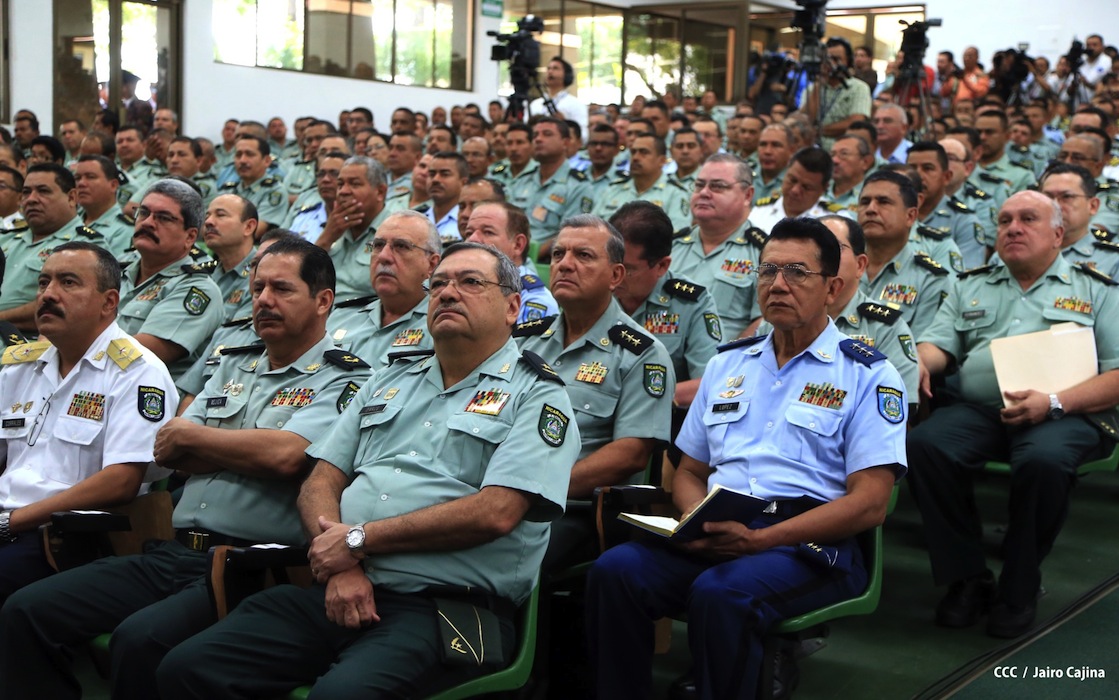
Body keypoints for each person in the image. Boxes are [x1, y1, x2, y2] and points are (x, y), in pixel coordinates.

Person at [154, 242, 578, 699]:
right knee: (187, 667)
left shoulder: (539, 395)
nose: (448, 293)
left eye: (470, 283)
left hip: (447, 607)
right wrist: (341, 568)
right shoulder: (388, 379)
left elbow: (496, 512)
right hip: (340, 587)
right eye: (438, 284)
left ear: (513, 306)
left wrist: (357, 542)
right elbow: (321, 479)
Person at [0, 237, 373, 699]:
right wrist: (241, 448)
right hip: (174, 553)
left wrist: (206, 441)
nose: (264, 301)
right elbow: (168, 448)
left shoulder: (347, 377)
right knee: (28, 610)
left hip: (250, 563)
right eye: (257, 289)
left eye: (281, 289)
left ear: (324, 301)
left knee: (139, 640)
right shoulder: (234, 365)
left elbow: (287, 456)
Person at [588, 216, 906, 700]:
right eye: (766, 271)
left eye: (797, 272)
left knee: (723, 594)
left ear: (832, 287)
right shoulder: (727, 364)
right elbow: (690, 470)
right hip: (722, 525)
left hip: (810, 544)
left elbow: (870, 505)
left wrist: (762, 542)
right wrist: (697, 519)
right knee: (617, 571)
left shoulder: (868, 375)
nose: (777, 285)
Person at [908, 190, 1119, 639]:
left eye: (1027, 219)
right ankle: (967, 578)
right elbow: (940, 344)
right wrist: (922, 360)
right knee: (925, 445)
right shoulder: (971, 283)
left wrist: (1056, 401)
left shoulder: (1097, 289)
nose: (1013, 228)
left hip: (1064, 412)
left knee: (1043, 462)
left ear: (1058, 234)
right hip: (982, 411)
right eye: (1004, 221)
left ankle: (1019, 585)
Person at [0, 242, 177, 605]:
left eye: (67, 283)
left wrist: (12, 522)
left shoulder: (138, 372)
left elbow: (121, 482)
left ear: (109, 302)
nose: (48, 294)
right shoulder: (20, 365)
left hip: (75, 540)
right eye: (43, 282)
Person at [515, 215, 674, 570]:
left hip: (572, 510)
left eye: (583, 256)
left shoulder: (642, 354)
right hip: (497, 493)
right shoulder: (522, 340)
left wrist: (533, 490)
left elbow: (630, 454)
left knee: (500, 552)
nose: (565, 264)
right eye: (558, 255)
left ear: (616, 276)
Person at [611, 201, 720, 408]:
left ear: (662, 265)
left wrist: (639, 399)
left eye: (628, 269)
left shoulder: (692, 303)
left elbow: (709, 383)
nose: (615, 276)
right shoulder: (595, 288)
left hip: (657, 419)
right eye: (611, 263)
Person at [115, 178, 225, 380]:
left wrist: (71, 348)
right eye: (144, 212)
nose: (148, 222)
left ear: (190, 237)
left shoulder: (197, 289)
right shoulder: (115, 268)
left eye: (164, 218)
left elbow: (134, 356)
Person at [670, 155, 767, 339]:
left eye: (717, 186)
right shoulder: (672, 246)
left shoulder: (763, 252)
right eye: (699, 185)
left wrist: (729, 358)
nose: (704, 193)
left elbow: (764, 319)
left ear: (747, 195)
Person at [0, 163, 102, 332]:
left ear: (71, 198)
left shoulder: (85, 247)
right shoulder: (7, 238)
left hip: (27, 344)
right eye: (26, 192)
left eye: (43, 191)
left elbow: (66, 307)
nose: (31, 199)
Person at [327, 211, 439, 360]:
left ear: (431, 264)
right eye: (378, 245)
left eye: (401, 246)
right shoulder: (341, 317)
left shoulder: (440, 325)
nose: (383, 256)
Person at [857, 170, 951, 335]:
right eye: (865, 202)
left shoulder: (929, 279)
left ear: (910, 216)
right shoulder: (839, 267)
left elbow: (919, 351)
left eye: (883, 202)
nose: (870, 209)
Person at [465, 201, 558, 323]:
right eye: (468, 233)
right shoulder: (454, 286)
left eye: (488, 232)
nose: (472, 239)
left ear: (518, 245)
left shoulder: (534, 300)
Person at [313, 156, 389, 303]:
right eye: (340, 184)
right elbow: (304, 278)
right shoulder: (333, 228)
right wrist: (326, 238)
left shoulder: (396, 231)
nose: (343, 191)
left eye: (354, 184)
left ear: (380, 192)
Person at [508, 118, 593, 246]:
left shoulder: (578, 185)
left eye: (547, 134)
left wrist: (530, 254)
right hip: (512, 253)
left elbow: (573, 233)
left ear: (565, 143)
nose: (538, 139)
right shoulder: (522, 179)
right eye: (535, 135)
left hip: (548, 260)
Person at [907, 142, 985, 269]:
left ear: (946, 177)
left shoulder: (964, 221)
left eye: (928, 168)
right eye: (912, 168)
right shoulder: (894, 215)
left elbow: (965, 276)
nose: (918, 175)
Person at [593, 133, 692, 231]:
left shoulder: (676, 193)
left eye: (643, 152)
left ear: (661, 161)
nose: (635, 158)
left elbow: (677, 238)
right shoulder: (613, 189)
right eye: (633, 152)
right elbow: (592, 227)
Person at [194, 194, 258, 320]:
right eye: (207, 216)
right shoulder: (202, 274)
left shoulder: (261, 277)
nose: (208, 222)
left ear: (248, 227)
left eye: (221, 215)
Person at [802, 37, 873, 151]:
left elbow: (856, 123)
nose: (830, 64)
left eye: (836, 59)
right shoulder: (812, 89)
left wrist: (818, 131)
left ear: (848, 62)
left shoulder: (859, 88)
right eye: (826, 59)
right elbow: (806, 120)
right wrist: (818, 84)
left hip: (843, 151)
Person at [750, 147, 837, 233]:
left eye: (806, 187)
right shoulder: (760, 211)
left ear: (824, 188)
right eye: (792, 180)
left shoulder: (834, 223)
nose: (795, 190)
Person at [219, 135, 288, 236]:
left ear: (267, 161)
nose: (242, 160)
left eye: (249, 154)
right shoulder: (228, 189)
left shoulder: (275, 191)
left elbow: (254, 231)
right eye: (238, 155)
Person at [73, 155, 135, 256]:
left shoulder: (124, 230)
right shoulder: (70, 220)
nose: (81, 183)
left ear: (113, 185)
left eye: (90, 177)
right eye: (77, 178)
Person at [826, 135, 875, 213]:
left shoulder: (872, 196)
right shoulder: (818, 191)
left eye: (844, 154)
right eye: (832, 154)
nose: (834, 160)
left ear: (866, 162)